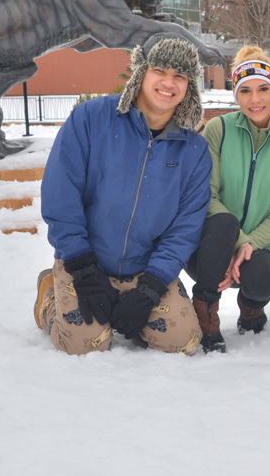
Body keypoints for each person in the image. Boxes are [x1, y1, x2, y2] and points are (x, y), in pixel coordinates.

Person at [33, 38, 212, 355]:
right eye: (160, 70)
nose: (168, 83)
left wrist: (151, 289)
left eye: (180, 76)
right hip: (86, 263)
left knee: (182, 342)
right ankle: (50, 296)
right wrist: (83, 268)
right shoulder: (90, 119)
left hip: (145, 271)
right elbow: (61, 194)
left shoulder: (194, 150)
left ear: (189, 86)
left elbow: (185, 227)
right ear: (142, 72)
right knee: (84, 344)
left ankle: (135, 316)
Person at [185, 46, 270, 352]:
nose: (255, 100)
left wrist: (248, 245)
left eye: (264, 89)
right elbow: (207, 194)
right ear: (236, 95)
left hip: (258, 247)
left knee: (265, 278)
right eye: (246, 91)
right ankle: (206, 312)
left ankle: (251, 307)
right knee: (224, 223)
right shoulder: (218, 131)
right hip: (208, 245)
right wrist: (233, 241)